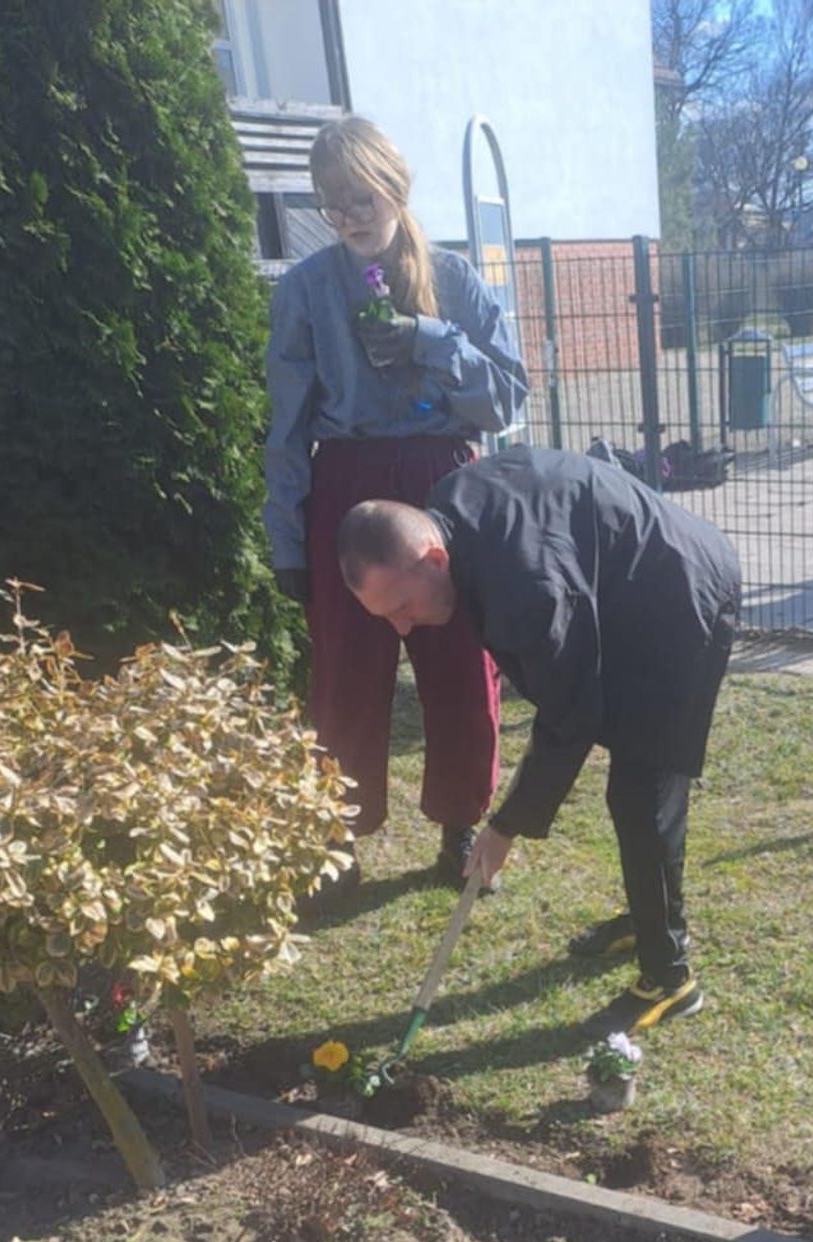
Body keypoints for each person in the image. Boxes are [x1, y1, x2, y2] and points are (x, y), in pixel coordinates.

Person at [336, 446, 742, 1032]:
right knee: (634, 789)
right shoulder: (451, 508)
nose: (402, 626)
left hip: (681, 598)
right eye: (386, 616)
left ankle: (670, 976)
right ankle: (648, 918)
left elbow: (570, 716)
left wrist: (504, 826)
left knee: (641, 794)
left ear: (433, 557)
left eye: (402, 606)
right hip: (620, 587)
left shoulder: (526, 589)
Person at [264, 116, 528, 899]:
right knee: (345, 678)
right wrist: (288, 542)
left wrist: (430, 339)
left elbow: (506, 399)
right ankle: (338, 841)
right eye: (331, 202)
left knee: (462, 667)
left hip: (444, 482)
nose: (348, 216)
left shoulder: (455, 279)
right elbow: (286, 427)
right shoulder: (305, 290)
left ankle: (460, 828)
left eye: (360, 196)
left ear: (394, 186)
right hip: (345, 485)